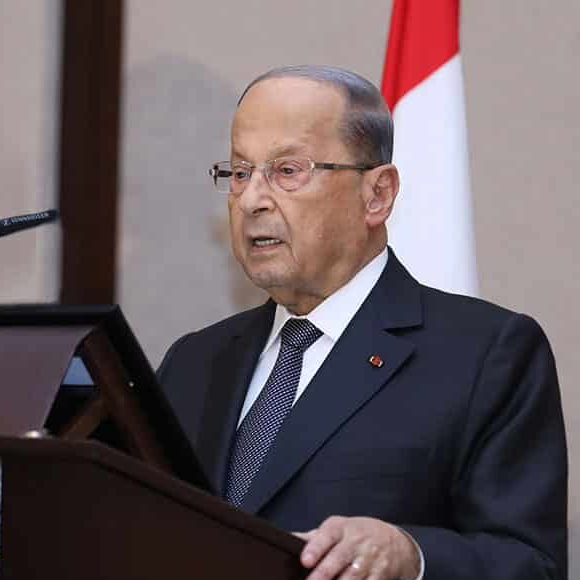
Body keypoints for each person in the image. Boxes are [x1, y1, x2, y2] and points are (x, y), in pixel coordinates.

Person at [157, 65, 567, 580]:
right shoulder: (194, 360)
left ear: (377, 194)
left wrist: (411, 556)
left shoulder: (487, 355)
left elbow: (532, 565)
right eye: (240, 173)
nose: (253, 199)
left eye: (287, 170)